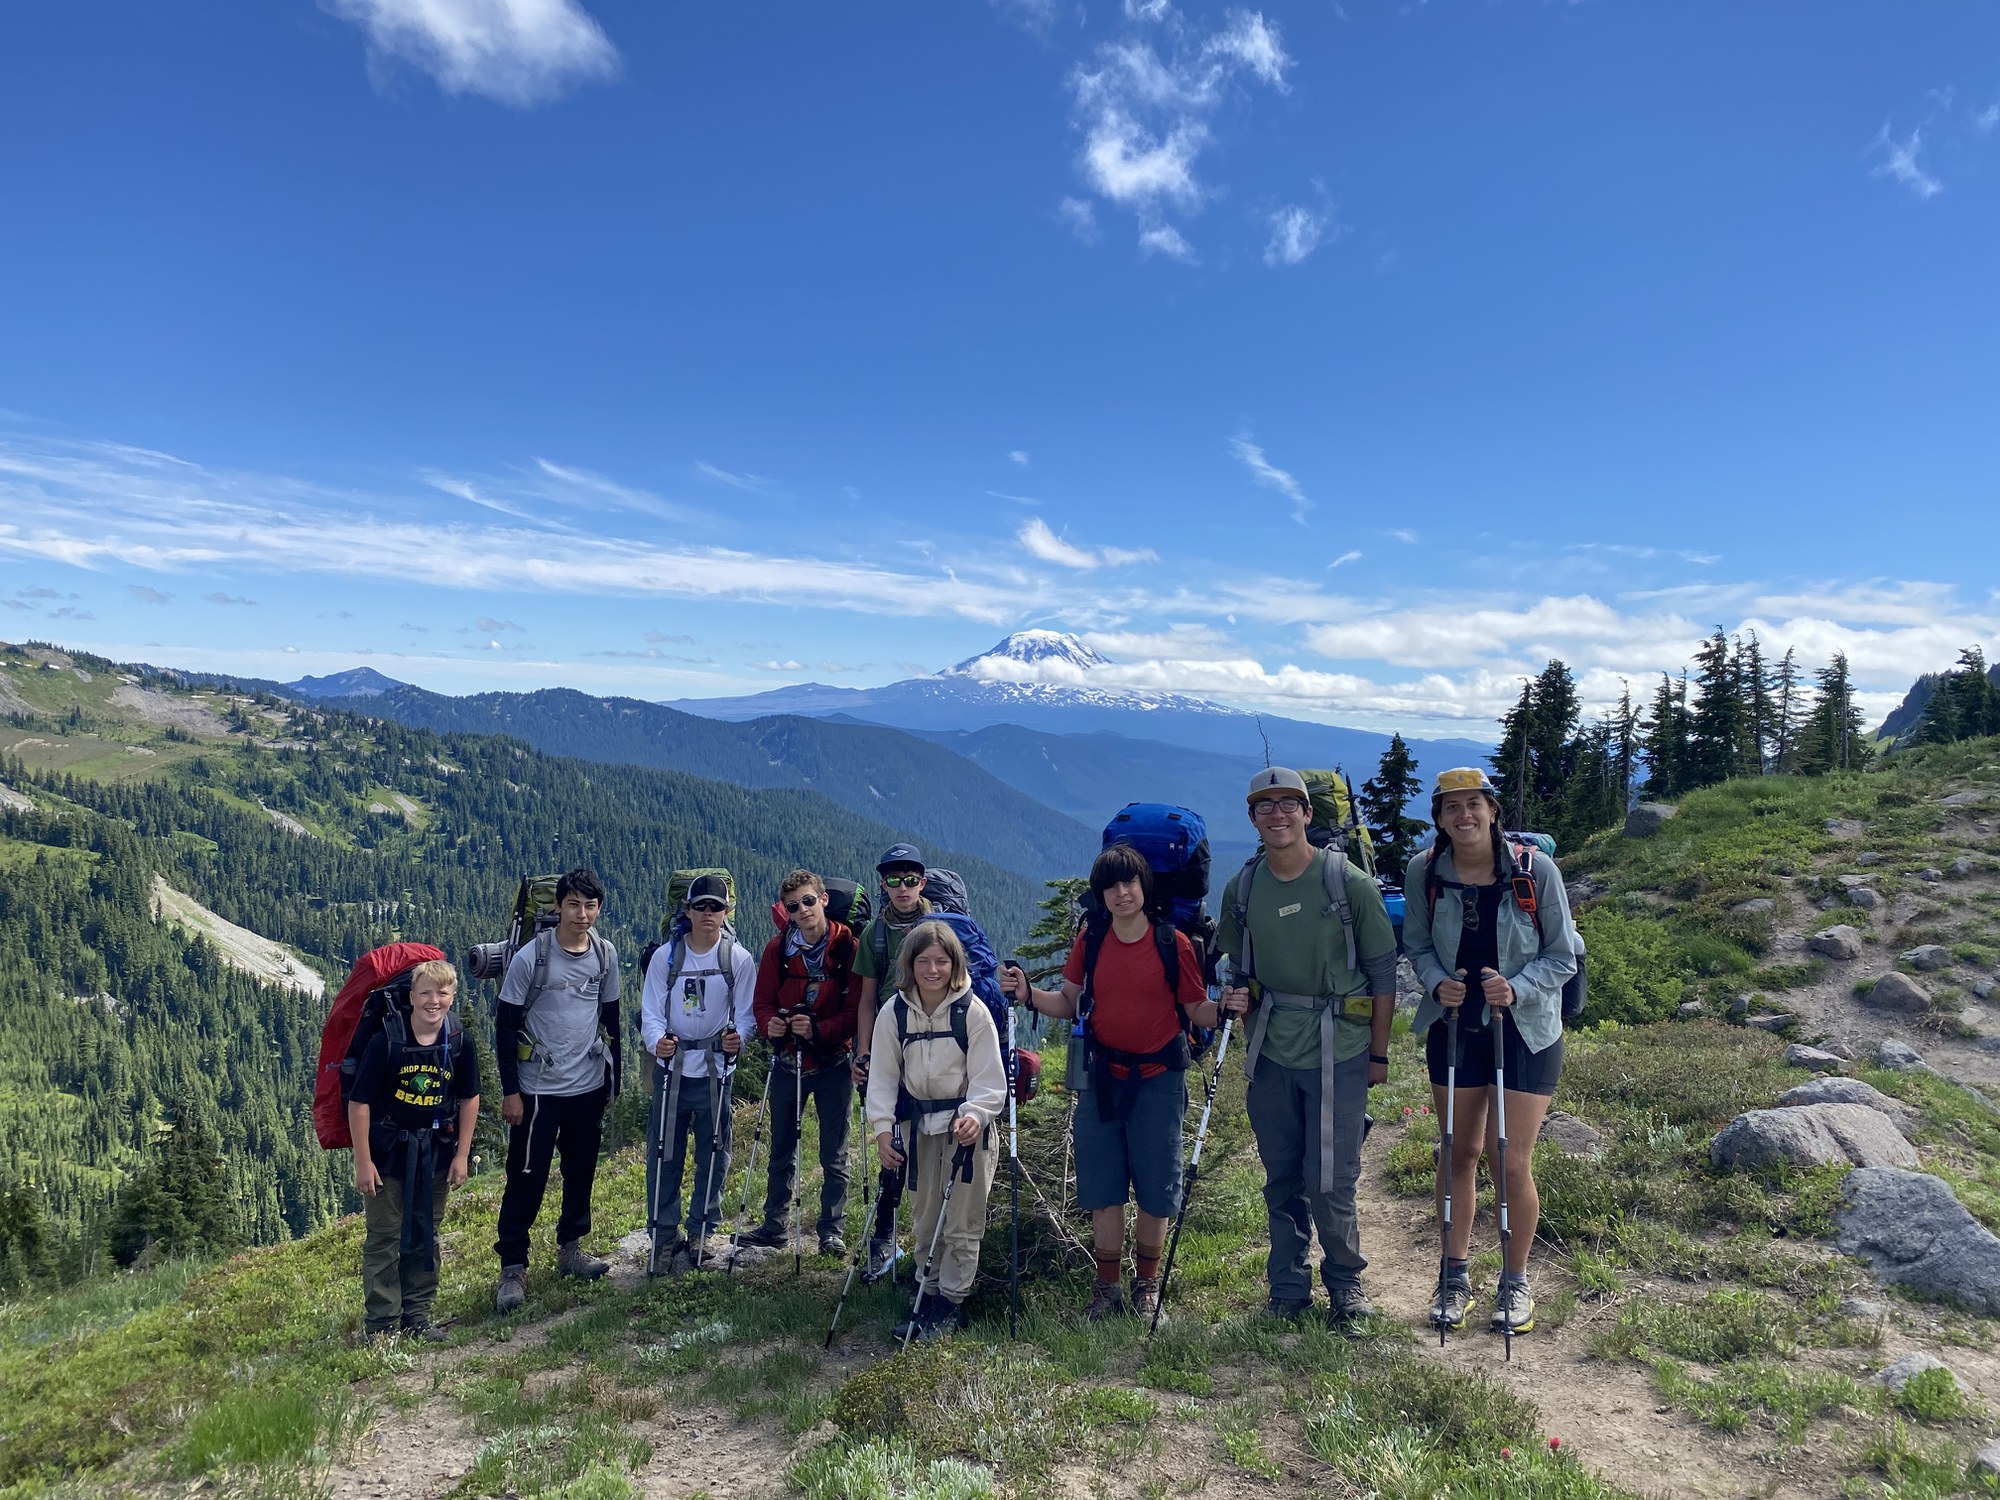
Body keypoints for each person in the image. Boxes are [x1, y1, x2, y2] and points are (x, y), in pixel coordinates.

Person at [1218, 767, 1399, 1329]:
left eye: (1288, 805)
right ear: (1252, 819)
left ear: (1307, 814)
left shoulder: (1347, 883)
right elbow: (1239, 966)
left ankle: (1346, 1286)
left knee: (1332, 1176)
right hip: (1271, 1049)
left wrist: (1377, 1054)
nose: (1277, 815)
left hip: (1337, 1048)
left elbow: (1382, 972)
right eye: (1265, 806)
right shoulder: (1243, 888)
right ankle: (1288, 1288)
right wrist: (1238, 998)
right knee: (1282, 1173)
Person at [1003, 844, 1215, 1323]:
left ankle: (1145, 1288)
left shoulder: (1172, 943)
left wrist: (1223, 1011)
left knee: (1158, 1187)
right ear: (1101, 895)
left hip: (1160, 1078)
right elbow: (1070, 1001)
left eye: (1130, 883)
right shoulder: (1092, 940)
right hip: (1101, 1077)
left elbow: (1194, 1009)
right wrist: (1028, 994)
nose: (1122, 893)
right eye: (1112, 886)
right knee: (1104, 1187)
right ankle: (1107, 1289)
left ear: (1144, 887)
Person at [1403, 766, 1578, 1339]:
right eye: (1451, 808)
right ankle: (1453, 1277)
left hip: (1525, 1029)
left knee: (1510, 1160)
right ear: (1439, 819)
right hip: (1455, 1025)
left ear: (1493, 810)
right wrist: (1434, 983)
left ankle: (1514, 1280)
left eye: (1473, 804)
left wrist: (1517, 987)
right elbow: (1419, 944)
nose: (1464, 816)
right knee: (1456, 1151)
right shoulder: (1425, 872)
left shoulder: (1536, 871)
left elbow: (1562, 954)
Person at [866, 919, 1006, 1340]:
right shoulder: (894, 1013)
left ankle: (950, 1302)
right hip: (917, 1128)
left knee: (962, 1219)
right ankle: (927, 1294)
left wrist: (976, 1115)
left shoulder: (973, 1012)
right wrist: (883, 1130)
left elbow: (989, 1080)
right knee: (926, 1217)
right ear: (909, 964)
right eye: (923, 961)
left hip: (966, 1133)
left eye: (941, 961)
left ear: (954, 964)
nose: (932, 970)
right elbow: (884, 1078)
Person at [493, 867, 622, 1312]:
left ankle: (571, 1248)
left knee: (581, 1170)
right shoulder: (533, 957)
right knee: (526, 1175)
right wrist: (511, 1091)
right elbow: (505, 1024)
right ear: (557, 906)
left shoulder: (605, 955)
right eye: (573, 904)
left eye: (590, 906)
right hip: (538, 1089)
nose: (581, 914)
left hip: (586, 1086)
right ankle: (513, 1266)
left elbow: (612, 1019)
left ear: (598, 908)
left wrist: (613, 1079)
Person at [347, 959, 482, 1339]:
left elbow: (470, 1097)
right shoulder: (386, 1040)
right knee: (385, 1236)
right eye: (425, 993)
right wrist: (363, 1162)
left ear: (452, 996)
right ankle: (381, 1325)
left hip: (436, 1153)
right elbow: (359, 1104)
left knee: (425, 1233)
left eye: (442, 993)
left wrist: (461, 1155)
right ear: (411, 997)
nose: (433, 1001)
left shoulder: (458, 1039)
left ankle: (417, 1317)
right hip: (388, 1155)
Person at [639, 872, 757, 1275]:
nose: (709, 913)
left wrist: (737, 1038)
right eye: (701, 906)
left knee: (714, 1152)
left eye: (717, 906)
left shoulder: (737, 959)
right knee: (663, 1152)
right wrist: (657, 1043)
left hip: (714, 1071)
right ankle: (664, 1233)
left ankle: (702, 1230)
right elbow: (651, 1012)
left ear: (728, 911)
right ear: (686, 911)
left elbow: (746, 1016)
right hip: (672, 1070)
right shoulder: (665, 958)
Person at [745, 870, 864, 1256]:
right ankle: (774, 1225)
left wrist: (818, 1030)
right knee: (781, 1149)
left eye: (809, 901)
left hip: (833, 1062)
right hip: (788, 1061)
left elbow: (857, 1012)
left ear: (824, 900)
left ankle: (832, 1230)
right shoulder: (776, 951)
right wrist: (772, 1025)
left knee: (834, 1152)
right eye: (794, 906)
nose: (803, 910)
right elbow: (761, 1003)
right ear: (788, 912)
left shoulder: (849, 948)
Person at [850, 843, 934, 1281]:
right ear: (883, 883)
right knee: (893, 1140)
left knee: (931, 1136)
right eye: (894, 880)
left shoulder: (940, 928)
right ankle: (884, 1236)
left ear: (923, 881)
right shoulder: (875, 934)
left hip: (934, 1043)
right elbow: (866, 999)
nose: (903, 888)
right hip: (889, 1042)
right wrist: (863, 1052)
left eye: (911, 879)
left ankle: (921, 1238)